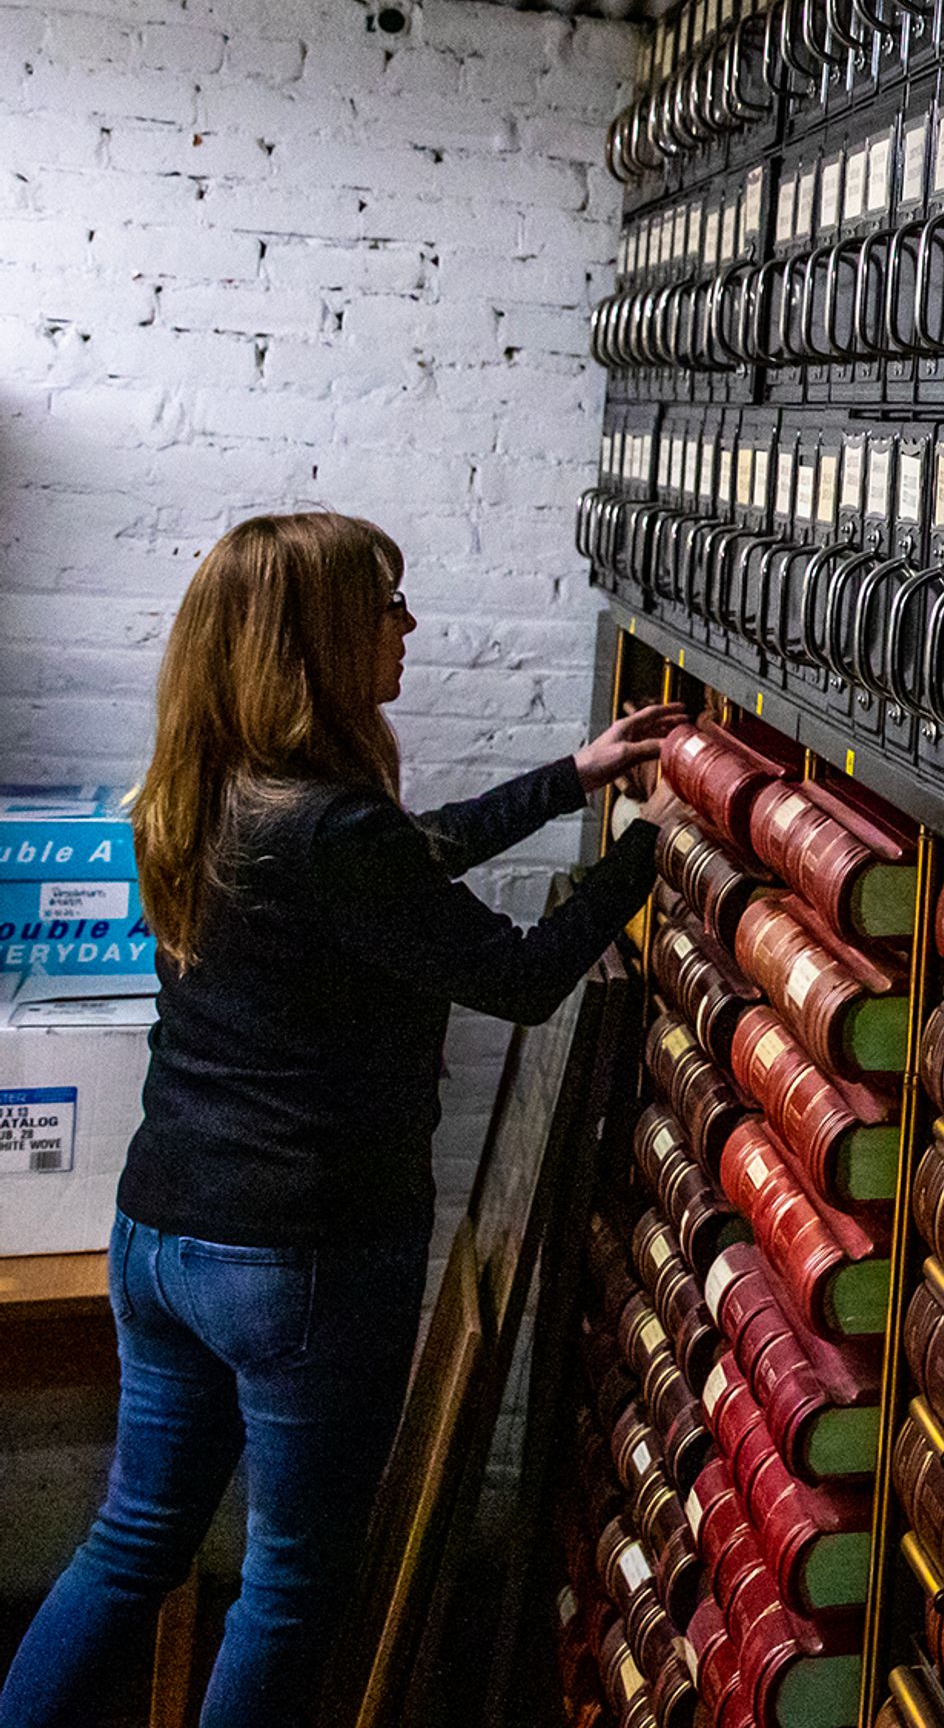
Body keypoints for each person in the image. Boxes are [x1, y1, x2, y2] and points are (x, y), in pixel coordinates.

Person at [0, 512, 685, 1728]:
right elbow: (523, 973)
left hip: (160, 1235)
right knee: (291, 1584)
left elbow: (409, 863)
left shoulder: (205, 790)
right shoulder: (334, 828)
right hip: (299, 1258)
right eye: (388, 606)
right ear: (318, 636)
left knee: (133, 1542)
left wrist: (575, 776)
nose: (408, 629)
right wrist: (656, 844)